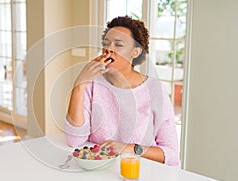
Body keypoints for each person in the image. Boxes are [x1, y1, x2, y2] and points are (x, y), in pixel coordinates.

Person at [64, 16, 180, 166]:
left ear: (135, 52)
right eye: (106, 43)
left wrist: (129, 149)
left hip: (141, 173)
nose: (109, 49)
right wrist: (79, 84)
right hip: (99, 171)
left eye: (118, 44)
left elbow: (171, 154)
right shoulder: (92, 84)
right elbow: (74, 140)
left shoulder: (155, 90)